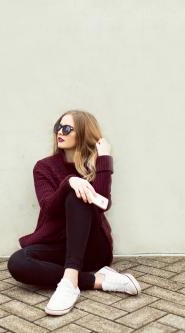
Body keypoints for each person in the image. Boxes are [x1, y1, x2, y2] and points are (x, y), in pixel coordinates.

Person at [7, 110, 141, 316]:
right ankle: (98, 280)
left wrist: (104, 158)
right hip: (59, 247)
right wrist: (69, 182)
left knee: (78, 195)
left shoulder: (95, 164)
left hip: (92, 248)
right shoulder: (43, 167)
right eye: (58, 127)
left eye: (67, 128)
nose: (60, 132)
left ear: (82, 133)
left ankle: (69, 285)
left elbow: (103, 203)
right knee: (17, 263)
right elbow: (48, 207)